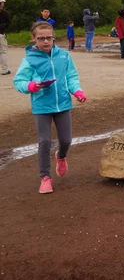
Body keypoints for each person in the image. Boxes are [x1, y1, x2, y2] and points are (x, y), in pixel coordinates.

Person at [13, 21, 87, 194]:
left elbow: (71, 76)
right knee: (44, 141)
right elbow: (19, 81)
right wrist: (31, 86)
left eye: (49, 38)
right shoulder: (30, 59)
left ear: (54, 38)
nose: (45, 41)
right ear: (34, 39)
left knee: (66, 140)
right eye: (41, 38)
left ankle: (61, 156)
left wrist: (77, 91)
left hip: (62, 104)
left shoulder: (63, 56)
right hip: (41, 106)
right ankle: (45, 178)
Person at [0, 0, 10, 75]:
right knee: (3, 51)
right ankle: (4, 69)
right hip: (1, 34)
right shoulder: (4, 13)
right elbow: (8, 23)